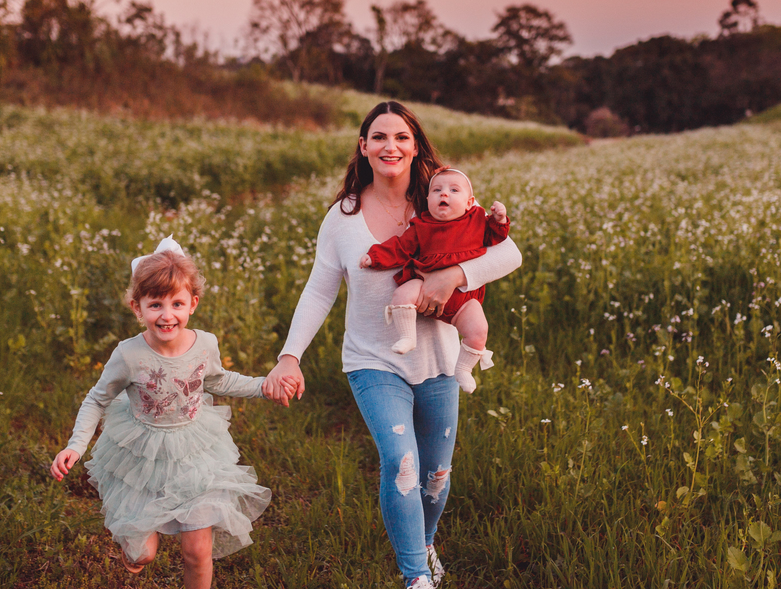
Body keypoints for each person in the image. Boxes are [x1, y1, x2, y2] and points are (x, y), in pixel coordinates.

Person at [263, 101, 522, 589]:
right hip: (373, 360)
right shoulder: (342, 218)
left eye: (402, 137)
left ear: (415, 146)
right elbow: (319, 291)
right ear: (363, 147)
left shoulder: (442, 197)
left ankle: (426, 541)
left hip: (439, 360)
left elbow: (509, 253)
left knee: (437, 472)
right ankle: (415, 576)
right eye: (379, 137)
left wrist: (451, 276)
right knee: (401, 461)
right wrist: (289, 356)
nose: (391, 146)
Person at [50, 237, 281, 589]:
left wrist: (264, 385)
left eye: (177, 303)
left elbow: (219, 380)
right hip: (141, 454)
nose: (167, 315)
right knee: (142, 554)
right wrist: (76, 445)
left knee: (198, 552)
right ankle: (136, 548)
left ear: (193, 304)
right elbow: (96, 400)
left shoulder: (205, 344)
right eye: (155, 304)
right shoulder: (128, 355)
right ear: (137, 307)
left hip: (194, 453)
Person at [359, 167, 509, 393]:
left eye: (454, 190)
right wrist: (375, 257)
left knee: (479, 330)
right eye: (437, 190)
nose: (444, 194)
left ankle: (464, 369)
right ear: (428, 200)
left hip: (464, 299)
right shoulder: (422, 225)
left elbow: (497, 237)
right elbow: (401, 247)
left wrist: (499, 219)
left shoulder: (477, 219)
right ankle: (408, 336)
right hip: (425, 283)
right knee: (402, 293)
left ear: (469, 203)